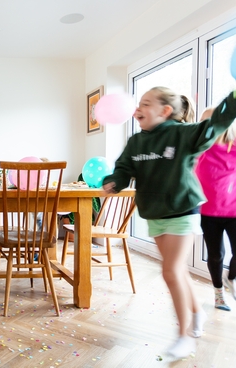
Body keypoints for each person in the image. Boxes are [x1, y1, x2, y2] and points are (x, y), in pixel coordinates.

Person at [102, 87, 236, 359]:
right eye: (138, 103)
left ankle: (184, 336)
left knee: (170, 272)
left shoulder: (182, 134)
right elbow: (125, 167)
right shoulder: (136, 141)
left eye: (146, 104)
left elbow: (217, 123)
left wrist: (233, 98)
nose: (138, 108)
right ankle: (197, 314)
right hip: (155, 213)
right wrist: (115, 181)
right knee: (178, 272)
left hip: (182, 210)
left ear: (165, 111)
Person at [195, 107, 236, 312]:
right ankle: (219, 295)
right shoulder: (200, 149)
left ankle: (231, 278)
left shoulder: (234, 146)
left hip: (233, 211)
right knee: (215, 255)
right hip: (208, 213)